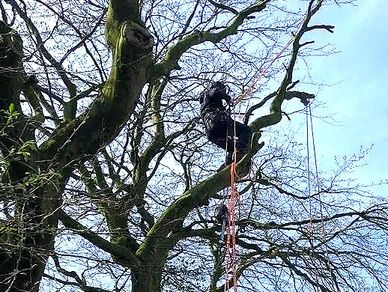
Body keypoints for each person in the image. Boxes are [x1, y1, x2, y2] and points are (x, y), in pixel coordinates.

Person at [199, 81, 252, 168]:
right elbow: (216, 92)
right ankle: (239, 149)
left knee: (231, 148)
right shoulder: (209, 94)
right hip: (219, 121)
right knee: (245, 130)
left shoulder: (205, 105)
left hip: (212, 133)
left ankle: (229, 163)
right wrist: (227, 98)